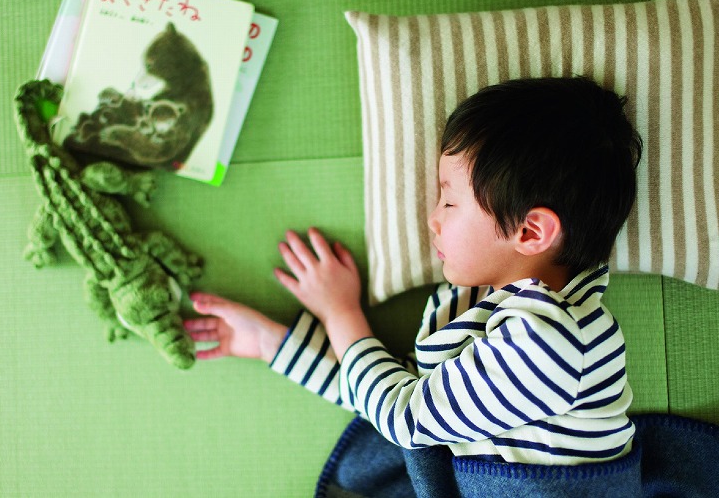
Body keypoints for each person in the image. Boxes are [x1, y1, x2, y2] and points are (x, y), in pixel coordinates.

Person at [183, 77, 643, 465]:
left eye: (449, 199)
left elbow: (404, 416)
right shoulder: (507, 315)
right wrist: (270, 343)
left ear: (529, 231)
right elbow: (399, 395)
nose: (433, 217)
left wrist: (341, 312)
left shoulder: (554, 342)